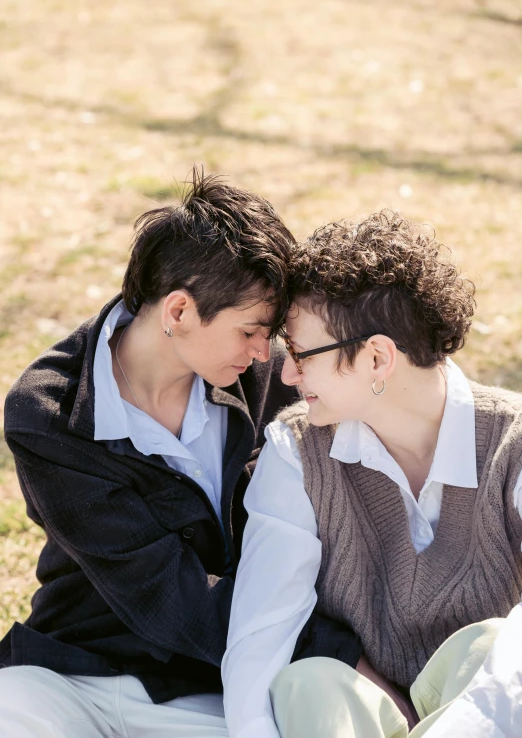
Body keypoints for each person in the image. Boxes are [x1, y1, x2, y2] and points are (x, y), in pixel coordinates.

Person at [0, 170, 360, 738]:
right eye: (249, 331)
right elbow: (171, 598)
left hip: (217, 686)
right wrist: (342, 654)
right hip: (71, 678)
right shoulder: (47, 415)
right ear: (178, 312)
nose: (266, 352)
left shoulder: (265, 377)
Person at [222, 211, 522, 738]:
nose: (286, 375)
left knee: (497, 644)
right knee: (308, 683)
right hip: (359, 718)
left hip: (491, 712)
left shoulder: (513, 444)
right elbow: (261, 634)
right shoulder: (295, 452)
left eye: (299, 352)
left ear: (378, 358)